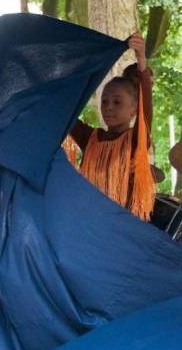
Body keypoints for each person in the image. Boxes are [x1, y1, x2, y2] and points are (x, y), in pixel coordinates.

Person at [66, 32, 155, 220]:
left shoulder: (136, 140)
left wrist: (141, 59)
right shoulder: (89, 138)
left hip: (125, 229)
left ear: (133, 110)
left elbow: (146, 109)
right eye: (104, 102)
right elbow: (65, 114)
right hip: (91, 224)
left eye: (117, 102)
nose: (108, 107)